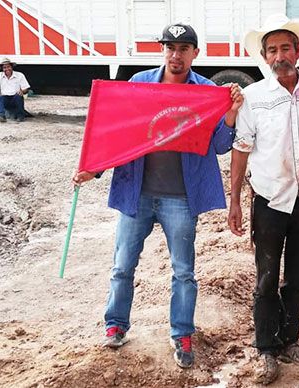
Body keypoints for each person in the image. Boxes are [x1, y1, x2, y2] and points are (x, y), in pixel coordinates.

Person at [71, 23, 243, 369]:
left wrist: (229, 115)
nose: (175, 55)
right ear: (163, 51)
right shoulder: (138, 85)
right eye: (170, 48)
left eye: (183, 49)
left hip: (181, 197)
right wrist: (95, 168)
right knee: (122, 266)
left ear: (195, 53)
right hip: (137, 193)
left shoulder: (207, 91)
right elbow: (119, 134)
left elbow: (222, 148)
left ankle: (181, 333)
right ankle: (115, 325)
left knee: (183, 272)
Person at [228, 14, 299, 385]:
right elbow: (240, 149)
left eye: (286, 48)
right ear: (265, 57)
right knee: (266, 278)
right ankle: (266, 347)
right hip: (268, 200)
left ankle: (291, 340)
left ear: (297, 52)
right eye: (272, 50)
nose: (279, 55)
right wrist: (234, 200)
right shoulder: (253, 97)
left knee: (297, 276)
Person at [0, 58, 30, 122]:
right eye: (4, 67)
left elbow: (26, 89)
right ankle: (1, 116)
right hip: (5, 98)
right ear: (2, 69)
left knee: (19, 96)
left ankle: (20, 116)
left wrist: (22, 91)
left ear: (11, 67)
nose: (7, 69)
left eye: (8, 67)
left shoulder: (20, 75)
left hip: (15, 98)